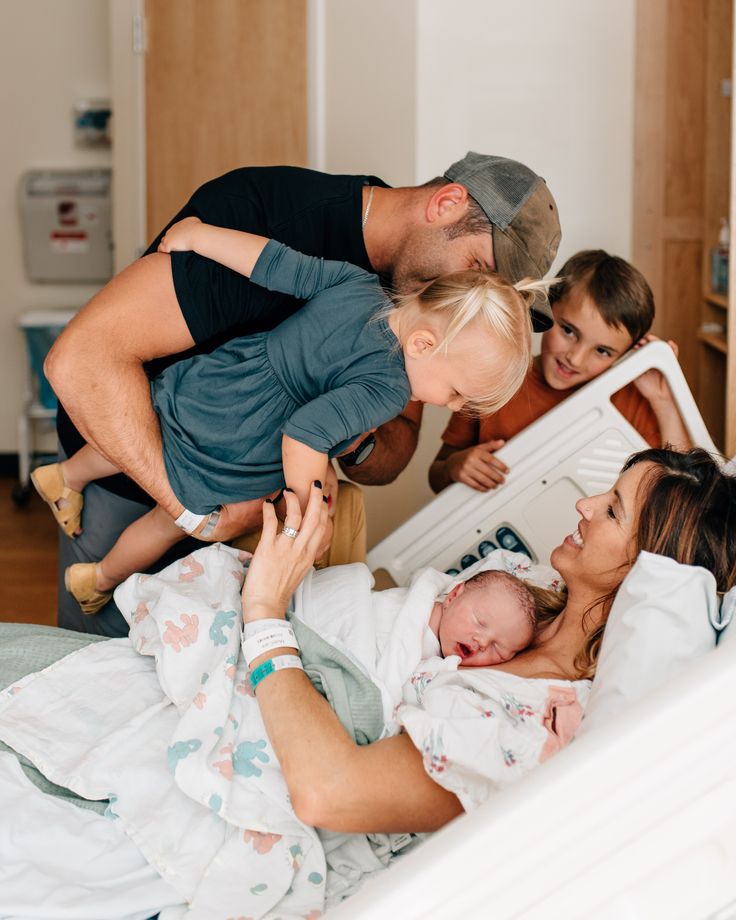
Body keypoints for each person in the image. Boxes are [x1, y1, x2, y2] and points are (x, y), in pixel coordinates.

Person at [1, 448, 733, 918]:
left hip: (275, 759)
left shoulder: (534, 725)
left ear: (647, 571)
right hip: (284, 684)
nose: (581, 506)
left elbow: (331, 791)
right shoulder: (531, 604)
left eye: (609, 512)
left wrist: (265, 610)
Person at [45, 152, 562, 636]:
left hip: (236, 500)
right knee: (94, 655)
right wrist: (191, 511)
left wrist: (347, 443)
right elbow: (78, 362)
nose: (472, 297)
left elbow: (389, 452)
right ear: (447, 204)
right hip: (132, 468)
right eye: (479, 270)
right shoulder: (271, 214)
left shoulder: (418, 318)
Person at [429, 249, 692, 494]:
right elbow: (437, 475)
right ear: (547, 309)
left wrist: (663, 400)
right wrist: (455, 466)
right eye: (568, 330)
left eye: (602, 351)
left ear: (624, 355)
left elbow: (687, 492)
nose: (575, 358)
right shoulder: (493, 378)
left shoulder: (632, 401)